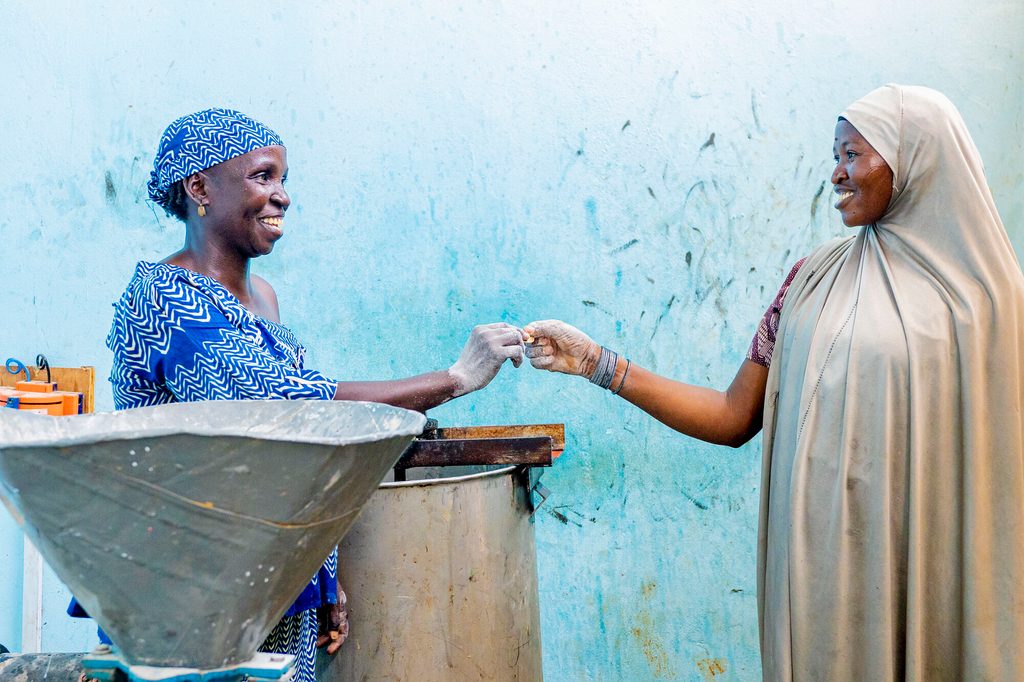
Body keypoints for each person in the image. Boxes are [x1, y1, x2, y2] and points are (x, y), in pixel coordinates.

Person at [525, 85, 1024, 680]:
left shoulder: (989, 307)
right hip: (827, 581)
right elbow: (735, 416)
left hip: (939, 578)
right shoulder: (810, 282)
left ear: (916, 159)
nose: (836, 174)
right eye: (835, 156)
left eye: (852, 155)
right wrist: (595, 363)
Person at [70, 108, 525, 682]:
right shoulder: (163, 296)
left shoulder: (264, 300)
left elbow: (294, 458)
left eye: (284, 180)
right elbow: (291, 408)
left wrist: (318, 573)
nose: (282, 196)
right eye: (263, 177)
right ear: (199, 188)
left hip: (264, 570)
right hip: (186, 585)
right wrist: (455, 378)